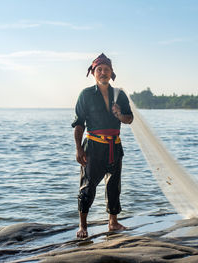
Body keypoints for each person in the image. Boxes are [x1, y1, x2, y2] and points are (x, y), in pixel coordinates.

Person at [71, 53, 134, 238]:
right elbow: (79, 123)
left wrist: (119, 115)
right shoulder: (86, 94)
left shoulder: (119, 94)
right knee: (88, 187)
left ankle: (113, 222)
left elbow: (129, 119)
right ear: (93, 73)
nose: (103, 72)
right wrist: (78, 148)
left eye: (106, 69)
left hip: (115, 146)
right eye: (99, 70)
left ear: (112, 72)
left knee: (114, 186)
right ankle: (83, 226)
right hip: (93, 147)